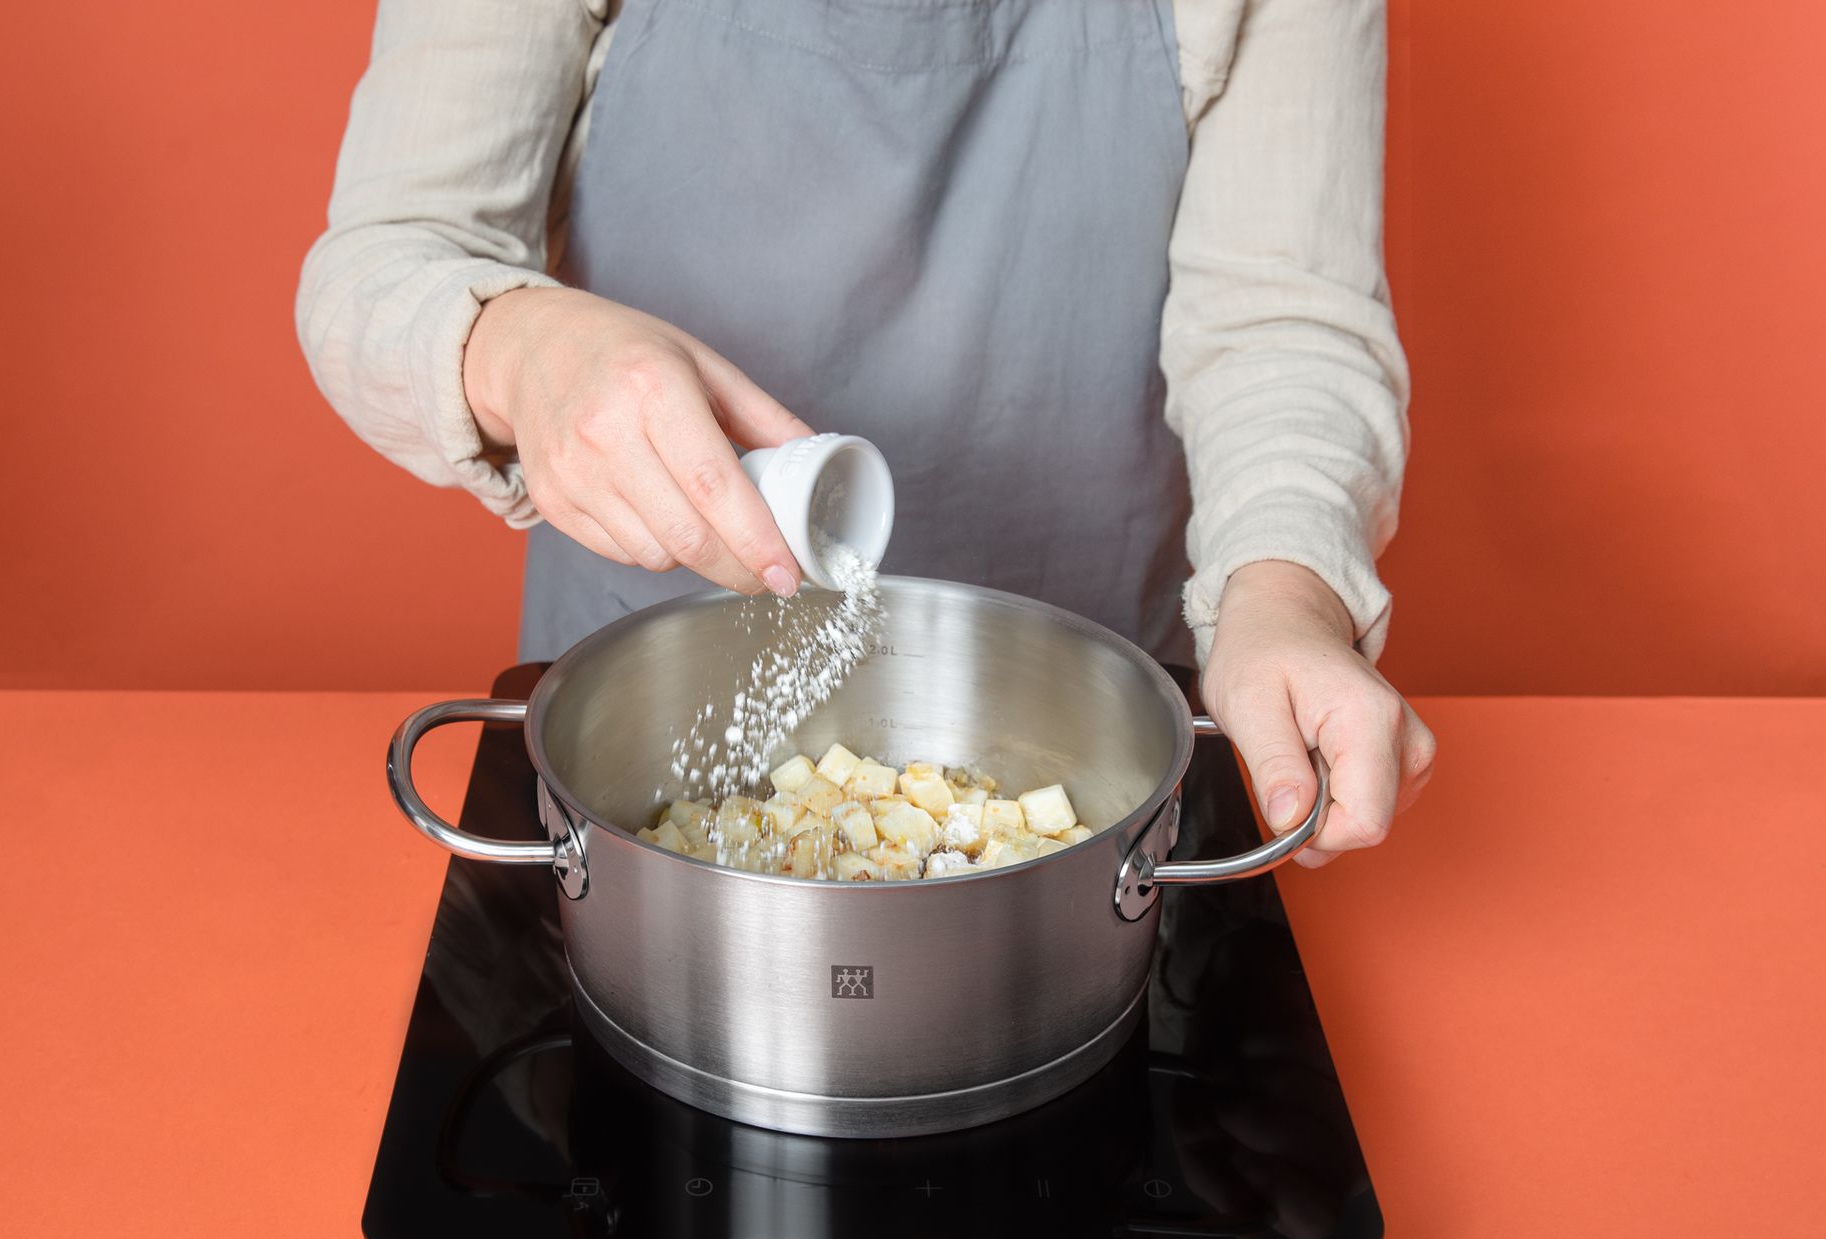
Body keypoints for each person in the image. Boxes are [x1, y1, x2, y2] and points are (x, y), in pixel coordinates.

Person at [298, 0, 1434, 865]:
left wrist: (1289, 597)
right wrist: (520, 349)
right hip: (653, 680)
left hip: (1095, 724)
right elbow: (387, 257)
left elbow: (1283, 313)